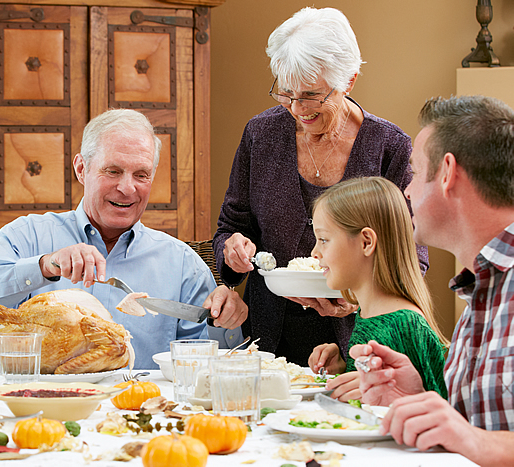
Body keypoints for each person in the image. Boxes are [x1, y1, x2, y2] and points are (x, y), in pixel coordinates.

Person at [213, 7, 428, 367]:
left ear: (349, 81)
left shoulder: (388, 146)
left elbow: (411, 255)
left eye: (311, 95)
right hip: (266, 338)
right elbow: (230, 228)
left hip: (358, 342)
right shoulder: (261, 134)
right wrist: (231, 250)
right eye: (286, 93)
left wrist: (359, 298)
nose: (297, 109)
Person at [0, 108, 248, 369]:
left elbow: (214, 364)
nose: (127, 188)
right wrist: (46, 266)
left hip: (140, 416)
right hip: (44, 411)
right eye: (113, 171)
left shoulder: (182, 263)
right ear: (82, 169)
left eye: (141, 174)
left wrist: (225, 322)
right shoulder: (30, 235)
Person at [351, 95, 514, 466]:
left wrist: (476, 442)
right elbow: (480, 429)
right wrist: (416, 400)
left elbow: (479, 441)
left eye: (413, 170)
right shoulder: (482, 287)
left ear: (446, 173)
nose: (406, 190)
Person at [305, 177, 447, 401]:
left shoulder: (404, 324)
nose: (315, 252)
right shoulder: (368, 313)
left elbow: (436, 410)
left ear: (366, 242)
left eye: (323, 239)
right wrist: (345, 370)